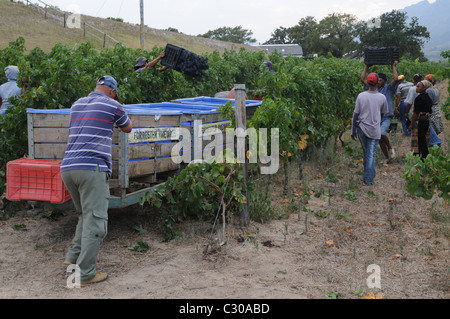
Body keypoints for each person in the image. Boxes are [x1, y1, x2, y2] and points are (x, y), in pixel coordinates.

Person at [61, 76, 132, 286]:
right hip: (92, 168)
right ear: (111, 91)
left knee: (85, 214)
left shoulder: (77, 104)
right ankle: (85, 274)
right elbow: (128, 128)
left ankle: (72, 258)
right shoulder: (113, 104)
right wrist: (120, 111)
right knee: (97, 221)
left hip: (68, 168)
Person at [352, 73, 388, 186]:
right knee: (371, 154)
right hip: (374, 129)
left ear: (367, 83)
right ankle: (369, 179)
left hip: (361, 128)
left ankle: (367, 175)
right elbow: (383, 114)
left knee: (366, 152)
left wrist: (353, 130)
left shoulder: (361, 96)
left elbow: (355, 114)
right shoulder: (382, 97)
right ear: (377, 83)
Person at [361, 61, 399, 163]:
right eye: (378, 80)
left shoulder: (389, 88)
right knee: (379, 138)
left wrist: (393, 66)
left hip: (386, 116)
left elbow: (396, 79)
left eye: (381, 80)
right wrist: (366, 66)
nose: (379, 82)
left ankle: (391, 148)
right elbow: (362, 79)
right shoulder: (373, 88)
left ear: (385, 81)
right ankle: (387, 157)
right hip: (376, 117)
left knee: (381, 133)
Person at [405, 74, 442, 148]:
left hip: (427, 116)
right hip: (434, 112)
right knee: (431, 134)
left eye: (425, 80)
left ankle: (434, 149)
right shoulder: (435, 90)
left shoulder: (427, 93)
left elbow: (419, 110)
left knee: (427, 136)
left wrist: (412, 123)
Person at [409, 80, 432, 160]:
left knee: (421, 139)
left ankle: (423, 156)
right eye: (417, 86)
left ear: (424, 88)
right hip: (426, 119)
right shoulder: (428, 97)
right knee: (425, 138)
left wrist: (411, 124)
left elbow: (415, 113)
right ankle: (425, 156)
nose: (417, 88)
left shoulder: (418, 98)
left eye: (418, 87)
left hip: (421, 120)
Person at [425, 74, 444, 145]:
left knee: (431, 130)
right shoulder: (436, 89)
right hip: (436, 109)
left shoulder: (429, 90)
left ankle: (434, 147)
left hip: (431, 110)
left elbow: (428, 102)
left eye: (425, 79)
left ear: (429, 81)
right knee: (435, 129)